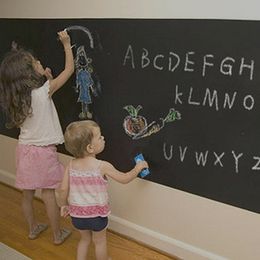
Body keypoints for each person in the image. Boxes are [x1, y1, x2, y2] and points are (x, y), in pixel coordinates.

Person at [0, 30, 74, 245]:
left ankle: (33, 229)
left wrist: (45, 77)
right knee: (49, 194)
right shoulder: (44, 92)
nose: (40, 62)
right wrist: (67, 44)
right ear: (29, 72)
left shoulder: (15, 98)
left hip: (24, 150)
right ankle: (57, 234)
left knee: (27, 193)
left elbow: (37, 102)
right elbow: (69, 69)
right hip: (43, 152)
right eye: (35, 62)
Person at [58, 120, 149, 260]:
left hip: (77, 215)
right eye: (100, 137)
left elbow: (63, 189)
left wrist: (64, 205)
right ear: (90, 148)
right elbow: (124, 178)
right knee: (99, 242)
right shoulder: (102, 166)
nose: (103, 138)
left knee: (84, 240)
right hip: (96, 216)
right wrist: (137, 169)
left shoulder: (71, 165)